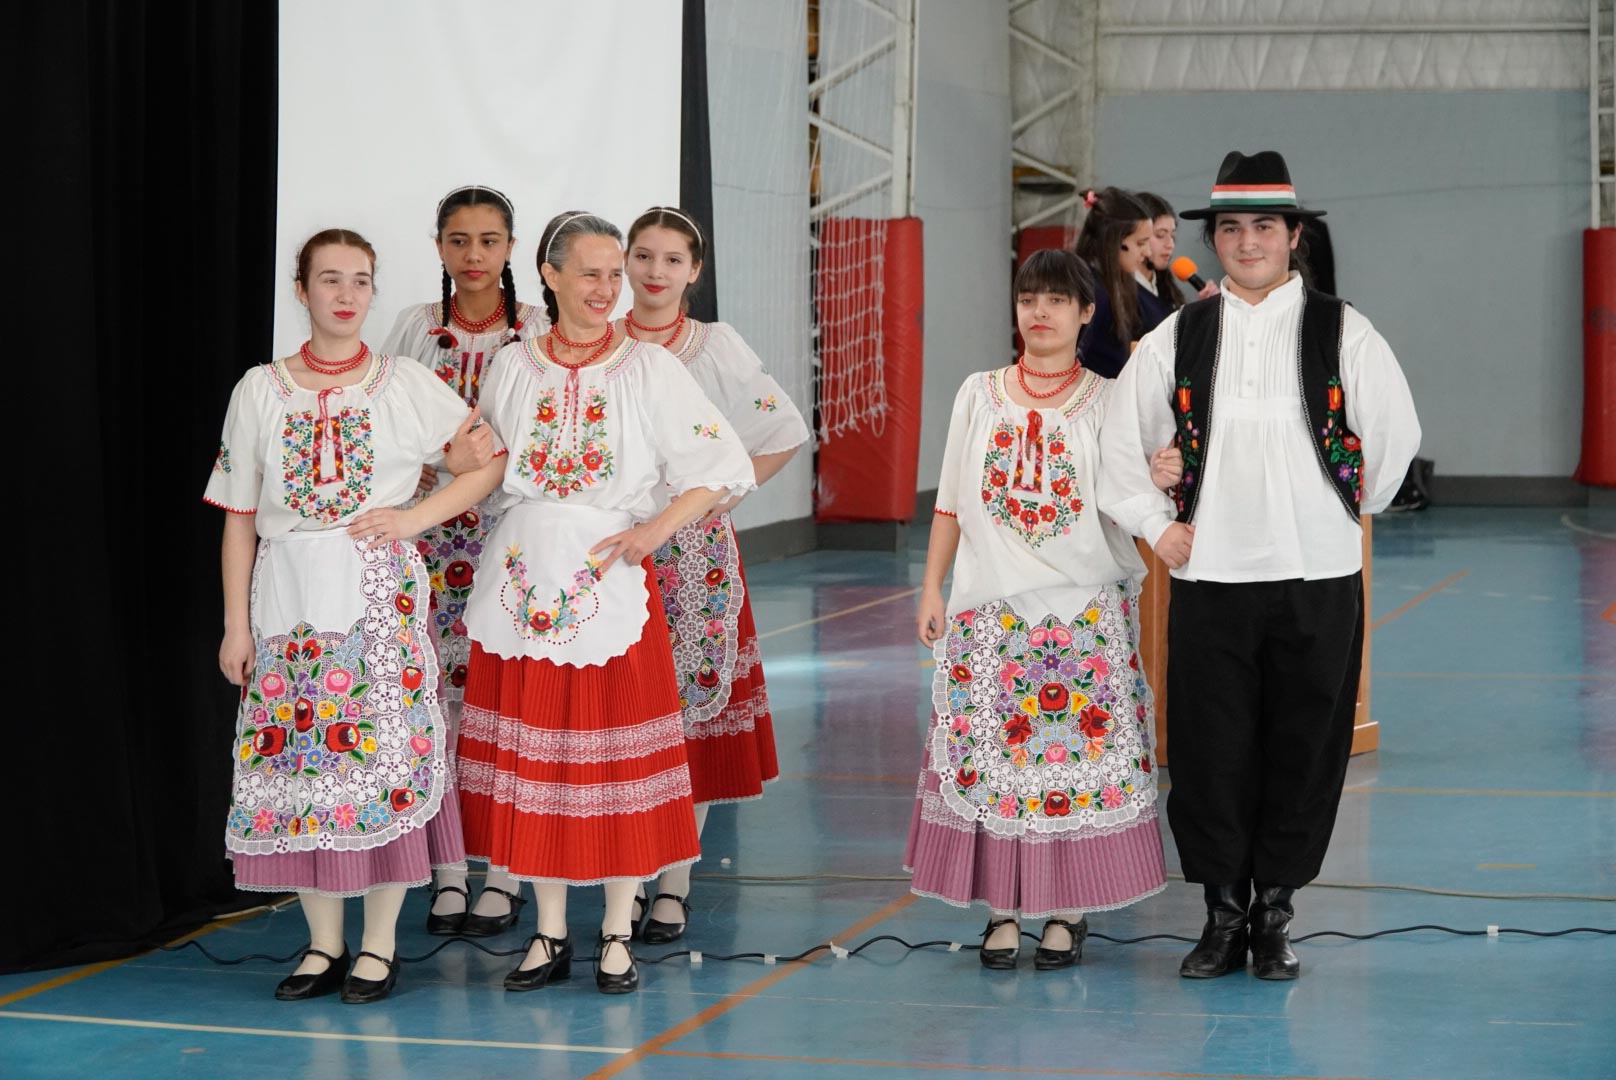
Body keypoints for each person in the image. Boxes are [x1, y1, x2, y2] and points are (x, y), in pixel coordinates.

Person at [1099, 151, 1421, 981]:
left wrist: (1350, 504)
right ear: (1215, 240)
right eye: (1232, 228)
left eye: (1264, 227)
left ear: (1294, 236)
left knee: (1304, 749)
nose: (1247, 242)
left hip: (1317, 576)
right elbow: (1117, 446)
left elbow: (1394, 436)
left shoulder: (1343, 328)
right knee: (1210, 755)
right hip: (1210, 581)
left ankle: (1275, 915)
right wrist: (1151, 522)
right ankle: (1220, 915)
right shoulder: (1179, 334)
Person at [458, 211, 755, 995]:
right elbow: (484, 468)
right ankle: (550, 934)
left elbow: (722, 463)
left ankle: (617, 932)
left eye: (611, 274)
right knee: (538, 765)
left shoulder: (649, 370)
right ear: (550, 277)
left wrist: (655, 528)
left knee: (617, 764)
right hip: (523, 586)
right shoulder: (515, 366)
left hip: (610, 592)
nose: (604, 288)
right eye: (588, 272)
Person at [207, 228, 505, 1003]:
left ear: (373, 293)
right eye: (329, 279)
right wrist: (237, 626)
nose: (346, 294)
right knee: (300, 761)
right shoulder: (259, 390)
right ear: (300, 291)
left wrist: (415, 517)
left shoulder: (403, 383)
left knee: (381, 757)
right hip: (286, 597)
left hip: (377, 592)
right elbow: (239, 514)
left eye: (361, 280)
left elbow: (487, 460)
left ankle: (378, 947)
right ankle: (322, 944)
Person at [906, 248, 1168, 971]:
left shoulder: (1111, 401)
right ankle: (1003, 910)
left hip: (1083, 613)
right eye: (1029, 299)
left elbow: (1136, 494)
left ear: (1087, 313)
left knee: (1073, 762)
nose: (1041, 312)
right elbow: (952, 501)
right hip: (991, 610)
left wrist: (1160, 472)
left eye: (1058, 300)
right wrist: (933, 587)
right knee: (998, 760)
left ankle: (1067, 910)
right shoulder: (977, 394)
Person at [616, 207, 811, 943]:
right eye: (644, 256)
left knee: (688, 709)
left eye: (672, 259)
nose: (656, 272)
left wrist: (725, 493)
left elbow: (782, 429)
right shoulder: (602, 343)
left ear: (694, 272)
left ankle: (675, 879)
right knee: (626, 710)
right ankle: (626, 870)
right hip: (619, 550)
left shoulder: (715, 347)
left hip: (693, 552)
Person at [381, 184, 546, 936]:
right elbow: (382, 421)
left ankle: (506, 871)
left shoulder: (538, 332)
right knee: (438, 698)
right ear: (439, 247)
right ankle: (449, 867)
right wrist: (409, 474)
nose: (474, 254)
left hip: (512, 539)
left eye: (489, 239)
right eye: (458, 240)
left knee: (503, 698)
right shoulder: (414, 330)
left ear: (513, 248)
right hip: (432, 540)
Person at [1073, 187, 1153, 378]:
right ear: (1115, 241)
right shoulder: (1092, 291)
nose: (1147, 252)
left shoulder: (1113, 286)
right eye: (1140, 243)